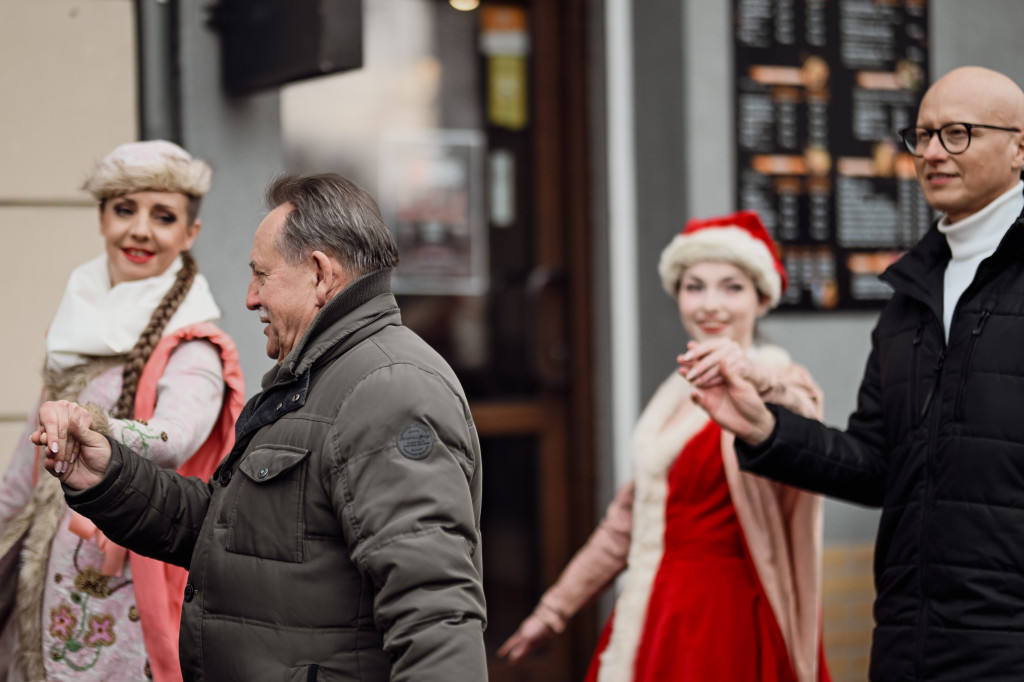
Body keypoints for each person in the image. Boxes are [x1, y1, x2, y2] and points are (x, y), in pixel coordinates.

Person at [33, 173, 487, 681]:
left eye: (261, 275)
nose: (249, 298)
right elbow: (227, 534)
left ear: (319, 274)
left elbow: (434, 610)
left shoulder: (389, 388)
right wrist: (106, 476)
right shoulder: (320, 376)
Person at [682, 66, 1024, 682]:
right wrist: (763, 427)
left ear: (1020, 147)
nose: (931, 154)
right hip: (904, 644)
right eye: (920, 135)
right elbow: (876, 466)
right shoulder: (909, 296)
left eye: (958, 134)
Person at [498, 210, 831, 682]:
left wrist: (756, 378)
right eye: (694, 286)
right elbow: (626, 523)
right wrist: (553, 611)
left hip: (726, 618)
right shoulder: (679, 391)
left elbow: (808, 428)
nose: (710, 304)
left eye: (732, 287)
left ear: (761, 299)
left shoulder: (775, 379)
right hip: (658, 609)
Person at [0, 140, 245, 681]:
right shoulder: (70, 332)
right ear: (102, 218)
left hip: (125, 585)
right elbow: (21, 477)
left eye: (163, 216)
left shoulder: (195, 346)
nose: (140, 230)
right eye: (125, 209)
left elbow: (175, 437)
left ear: (190, 234)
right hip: (39, 585)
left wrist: (97, 430)